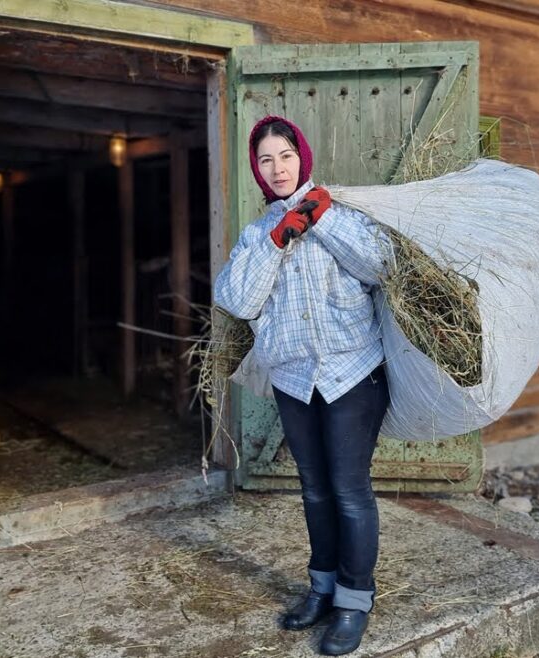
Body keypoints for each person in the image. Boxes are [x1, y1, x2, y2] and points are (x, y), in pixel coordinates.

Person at [213, 115, 391, 656]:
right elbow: (237, 300)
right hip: (294, 378)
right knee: (313, 490)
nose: (277, 168)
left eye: (285, 156)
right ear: (258, 171)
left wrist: (320, 219)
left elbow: (380, 264)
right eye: (266, 160)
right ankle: (322, 588)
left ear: (301, 157)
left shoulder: (343, 213)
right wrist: (278, 238)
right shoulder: (254, 235)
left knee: (350, 490)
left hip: (351, 372)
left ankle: (354, 602)